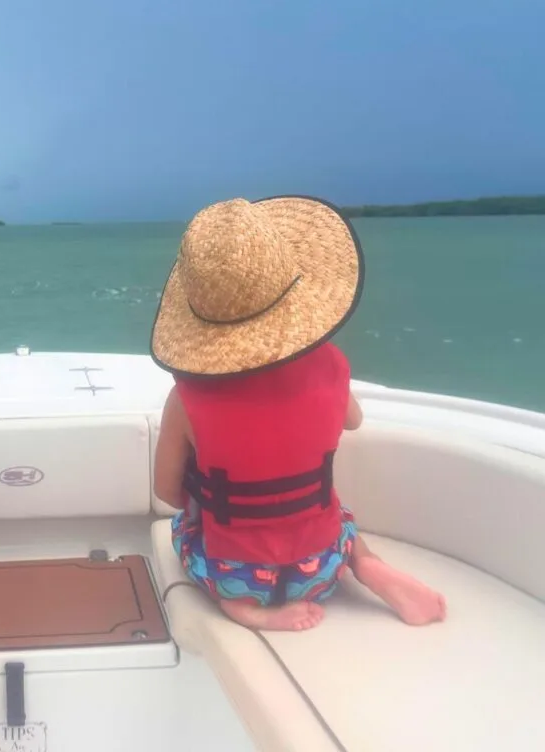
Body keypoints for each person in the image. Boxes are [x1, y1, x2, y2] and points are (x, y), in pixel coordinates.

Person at [150, 196, 446, 632]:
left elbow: (167, 493)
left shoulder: (185, 398)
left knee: (182, 526)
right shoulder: (331, 365)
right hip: (320, 566)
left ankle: (245, 610)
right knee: (338, 514)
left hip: (238, 576)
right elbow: (354, 420)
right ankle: (365, 563)